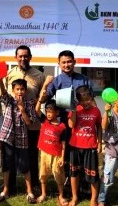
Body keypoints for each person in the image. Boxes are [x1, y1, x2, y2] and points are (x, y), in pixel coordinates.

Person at [41, 50, 97, 189]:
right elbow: (45, 98)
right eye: (64, 62)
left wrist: (96, 117)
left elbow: (92, 100)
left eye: (69, 62)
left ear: (74, 62)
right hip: (65, 124)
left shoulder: (83, 79)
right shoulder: (56, 81)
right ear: (59, 64)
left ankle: (84, 182)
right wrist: (44, 88)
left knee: (82, 152)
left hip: (83, 123)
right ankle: (67, 181)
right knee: (67, 153)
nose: (67, 65)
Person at [5, 45, 45, 192]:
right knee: (12, 155)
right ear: (16, 57)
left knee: (32, 155)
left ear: (30, 57)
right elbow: (3, 96)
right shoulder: (9, 74)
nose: (23, 58)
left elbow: (44, 96)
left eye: (26, 56)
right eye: (20, 56)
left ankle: (34, 184)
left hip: (31, 124)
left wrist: (40, 100)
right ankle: (11, 186)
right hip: (13, 124)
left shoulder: (39, 75)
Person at [0, 78, 38, 204]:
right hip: (8, 138)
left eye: (22, 89)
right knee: (7, 165)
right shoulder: (9, 100)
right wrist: (0, 82)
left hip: (22, 138)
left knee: (25, 166)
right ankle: (5, 190)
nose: (20, 92)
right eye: (17, 89)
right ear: (13, 91)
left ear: (25, 90)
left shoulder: (29, 104)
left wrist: (22, 109)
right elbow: (3, 94)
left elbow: (29, 122)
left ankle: (29, 192)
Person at [68, 85, 102, 206]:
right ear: (78, 100)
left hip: (90, 146)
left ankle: (93, 199)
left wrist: (100, 143)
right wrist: (74, 110)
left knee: (93, 175)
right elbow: (71, 125)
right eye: (82, 100)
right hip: (75, 146)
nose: (85, 102)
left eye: (87, 99)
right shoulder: (76, 109)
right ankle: (75, 197)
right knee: (74, 173)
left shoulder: (96, 111)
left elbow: (99, 127)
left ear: (91, 98)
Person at [34, 86, 68, 206]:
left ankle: (61, 196)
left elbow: (63, 143)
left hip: (57, 154)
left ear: (57, 113)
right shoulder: (44, 121)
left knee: (58, 173)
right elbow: (37, 110)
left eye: (51, 112)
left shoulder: (62, 127)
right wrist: (40, 99)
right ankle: (44, 194)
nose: (48, 114)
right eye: (47, 112)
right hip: (44, 153)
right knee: (43, 174)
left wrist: (63, 157)